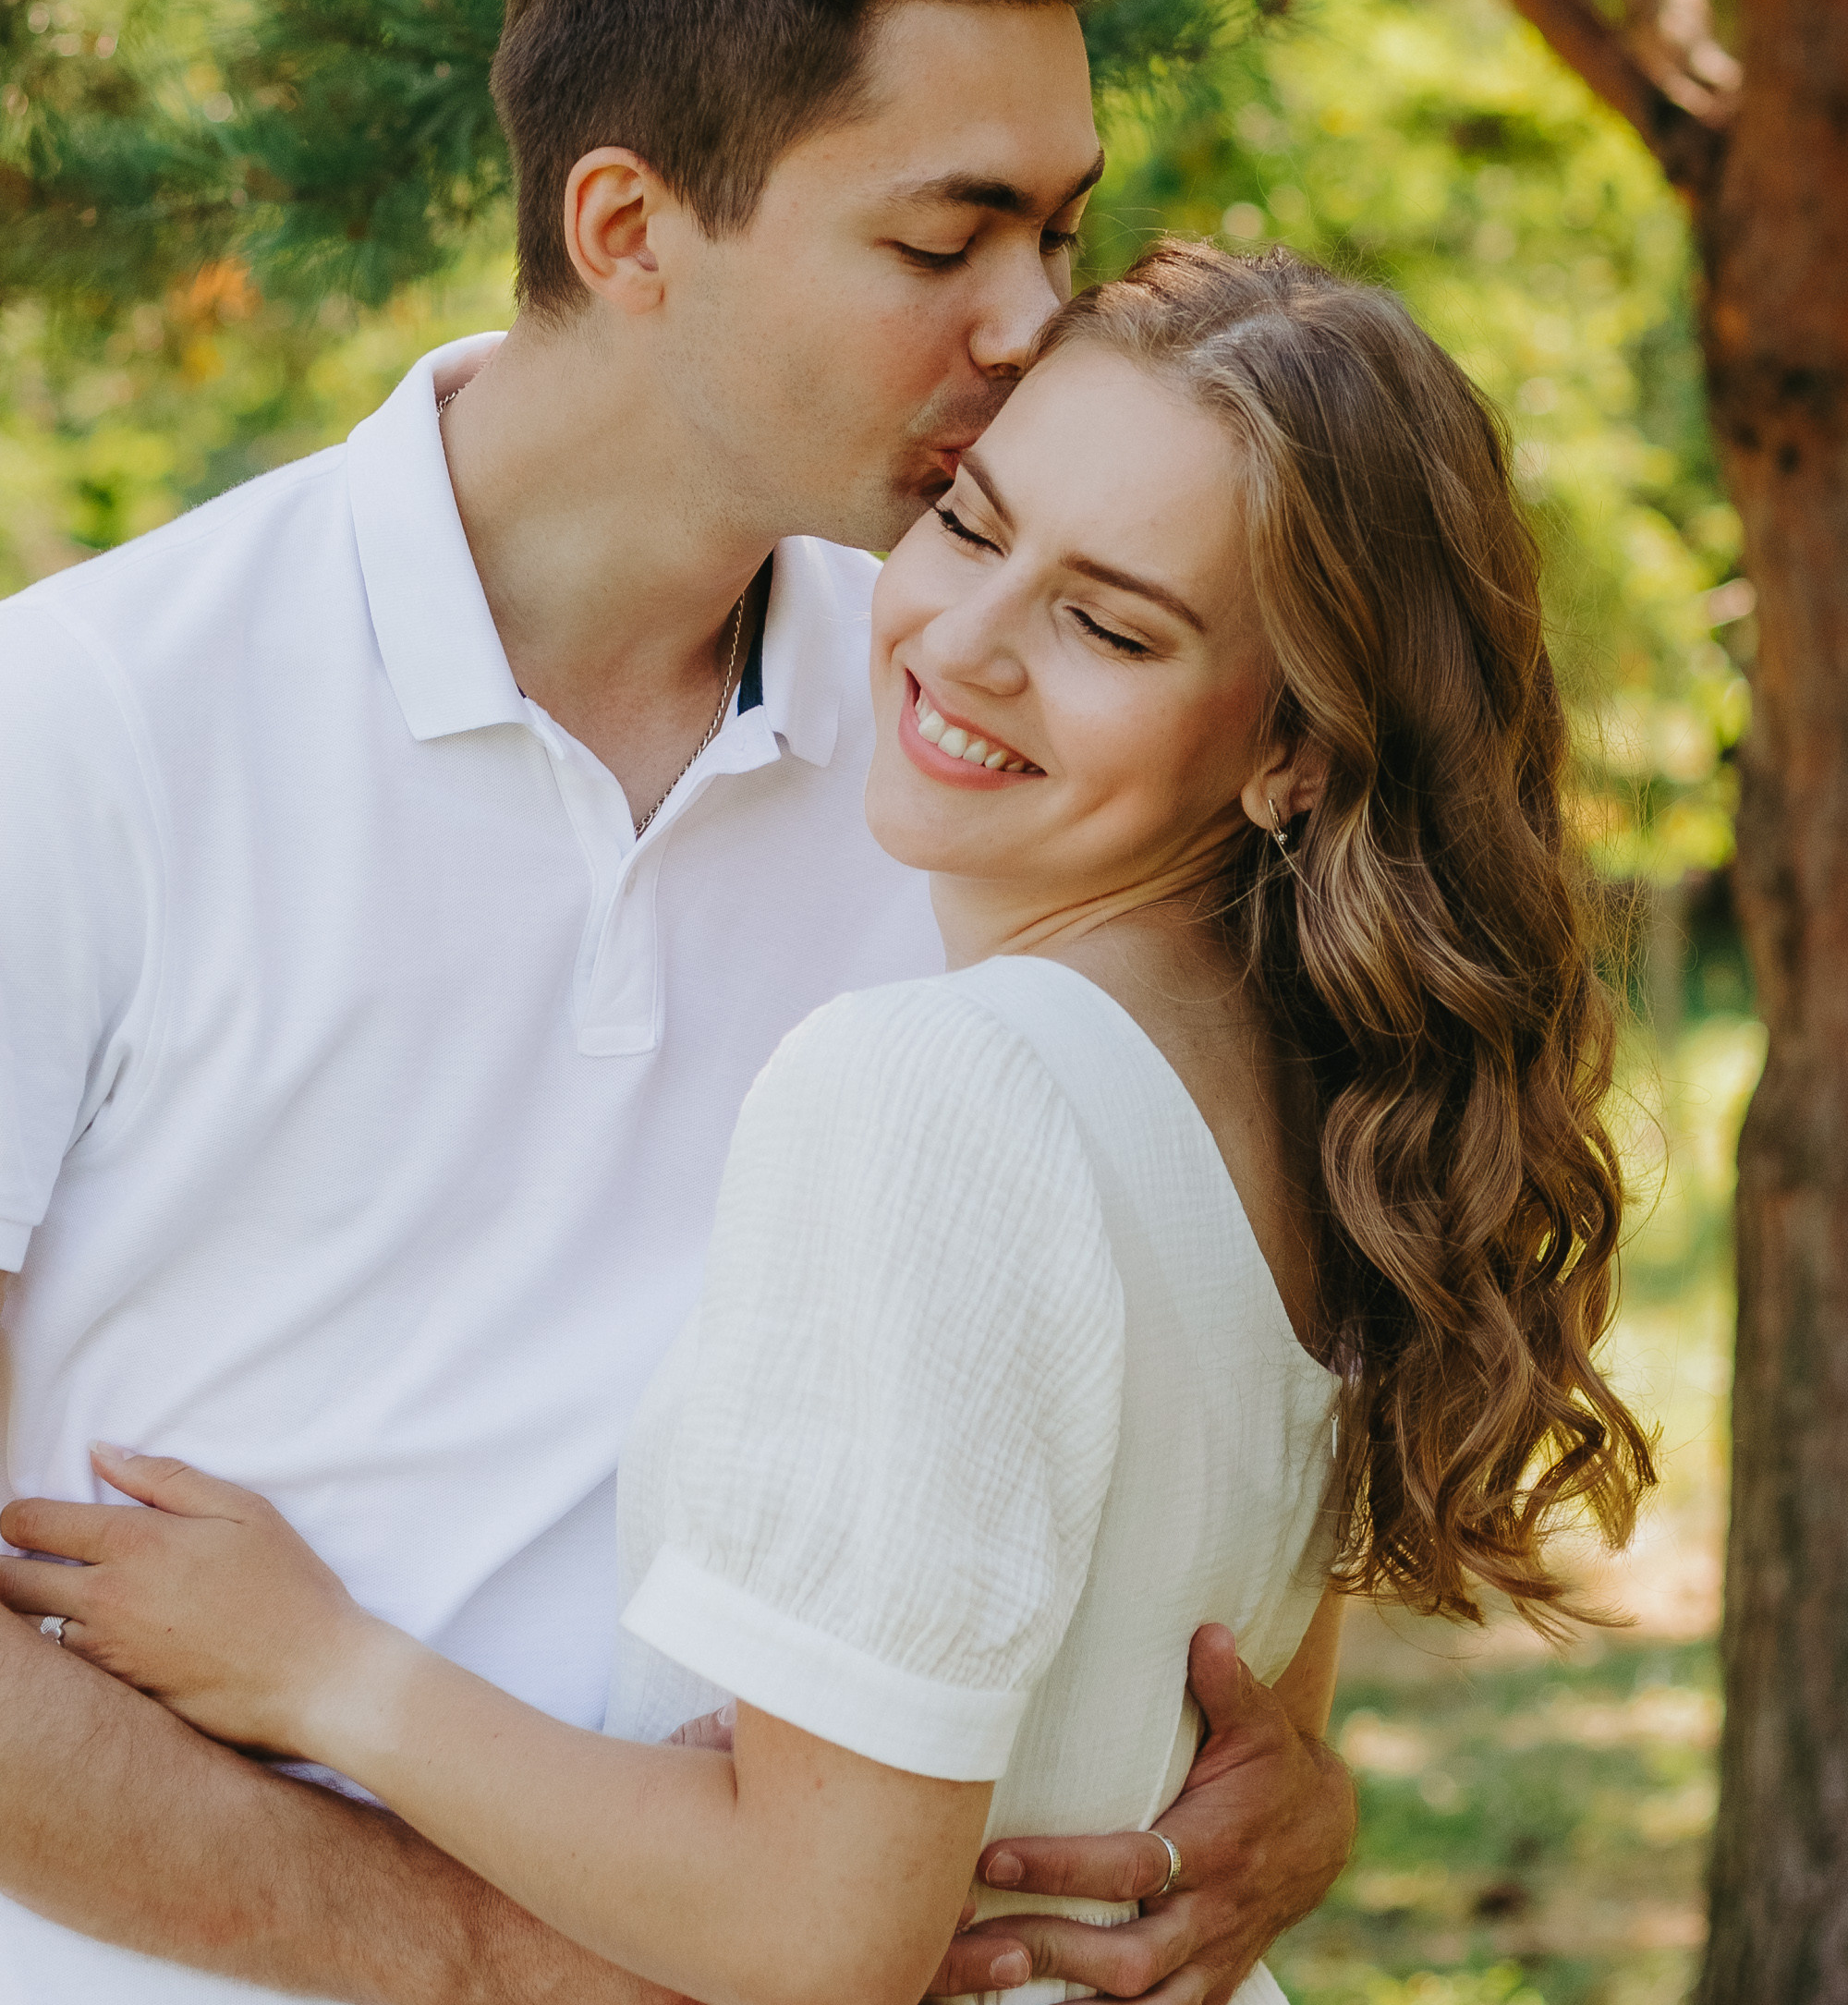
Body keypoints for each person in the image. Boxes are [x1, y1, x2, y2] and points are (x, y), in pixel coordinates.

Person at [0, 0, 1356, 2005]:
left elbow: (1223, 1338)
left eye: (1062, 230)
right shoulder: (78, 735)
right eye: (947, 241)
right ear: (629, 226)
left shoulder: (983, 737)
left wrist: (1292, 1772)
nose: (1037, 324)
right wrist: (518, 1973)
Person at [0, 241, 1656, 2005]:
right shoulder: (1302, 1089)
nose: (965, 639)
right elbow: (1204, 1686)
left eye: (1108, 623)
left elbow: (820, 1937)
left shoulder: (939, 1087)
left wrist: (321, 1670)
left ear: (1297, 753)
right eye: (971, 523)